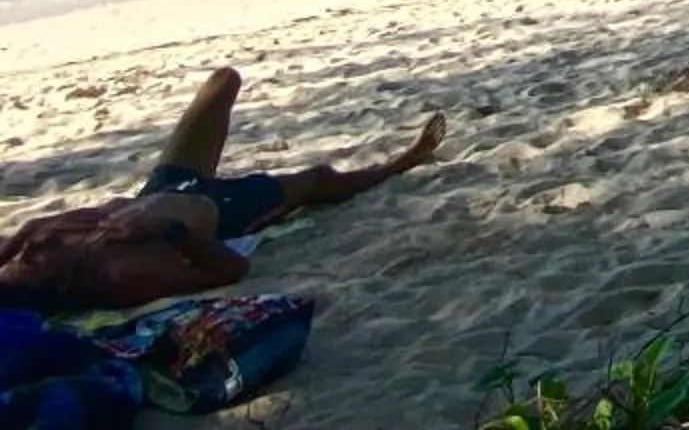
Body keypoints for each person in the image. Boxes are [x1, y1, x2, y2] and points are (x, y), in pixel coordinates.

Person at [0, 68, 443, 316]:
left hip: (165, 184)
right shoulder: (122, 277)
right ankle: (408, 158)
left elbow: (17, 253)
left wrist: (26, 233)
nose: (31, 251)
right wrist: (172, 230)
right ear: (53, 283)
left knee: (223, 81)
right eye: (30, 260)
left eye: (21, 255)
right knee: (318, 180)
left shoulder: (38, 246)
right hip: (225, 209)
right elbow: (231, 270)